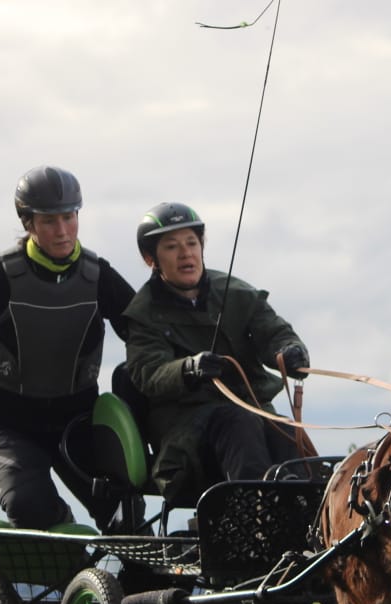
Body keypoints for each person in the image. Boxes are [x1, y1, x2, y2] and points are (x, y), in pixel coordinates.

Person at [0, 165, 135, 528]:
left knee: (126, 514)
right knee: (29, 505)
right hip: (6, 425)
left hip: (76, 420)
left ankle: (132, 581)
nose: (62, 230)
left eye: (69, 217)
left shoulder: (98, 276)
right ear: (28, 223)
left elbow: (141, 330)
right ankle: (70, 552)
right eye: (49, 221)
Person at [123, 201, 311, 506]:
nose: (185, 253)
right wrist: (188, 368)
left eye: (191, 243)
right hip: (185, 440)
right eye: (171, 246)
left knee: (286, 431)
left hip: (252, 416)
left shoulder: (237, 293)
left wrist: (289, 352)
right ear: (150, 259)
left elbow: (275, 333)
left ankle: (307, 517)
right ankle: (254, 513)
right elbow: (148, 373)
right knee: (237, 420)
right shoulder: (143, 313)